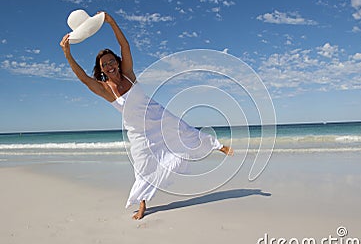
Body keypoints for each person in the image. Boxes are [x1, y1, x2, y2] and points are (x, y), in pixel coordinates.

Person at [60, 12, 233, 220]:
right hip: (138, 131)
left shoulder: (128, 74)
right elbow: (84, 79)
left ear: (117, 61)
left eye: (111, 61)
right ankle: (143, 204)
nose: (109, 65)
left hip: (158, 116)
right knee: (142, 167)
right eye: (104, 64)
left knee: (186, 132)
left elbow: (125, 47)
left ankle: (218, 146)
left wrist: (111, 22)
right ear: (102, 70)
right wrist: (68, 54)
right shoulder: (106, 89)